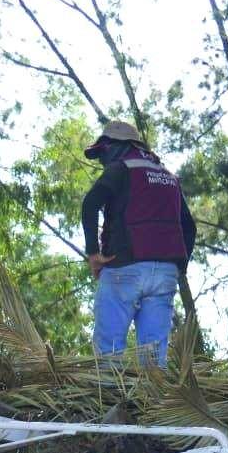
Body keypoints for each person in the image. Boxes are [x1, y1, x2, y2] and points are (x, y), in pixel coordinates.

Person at [80, 120, 195, 366]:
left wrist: (93, 253)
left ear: (116, 146)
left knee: (109, 354)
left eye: (103, 153)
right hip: (165, 274)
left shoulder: (121, 168)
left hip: (124, 267)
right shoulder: (169, 177)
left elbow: (89, 204)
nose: (102, 161)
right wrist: (179, 268)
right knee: (153, 360)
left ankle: (109, 389)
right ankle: (153, 391)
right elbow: (189, 227)